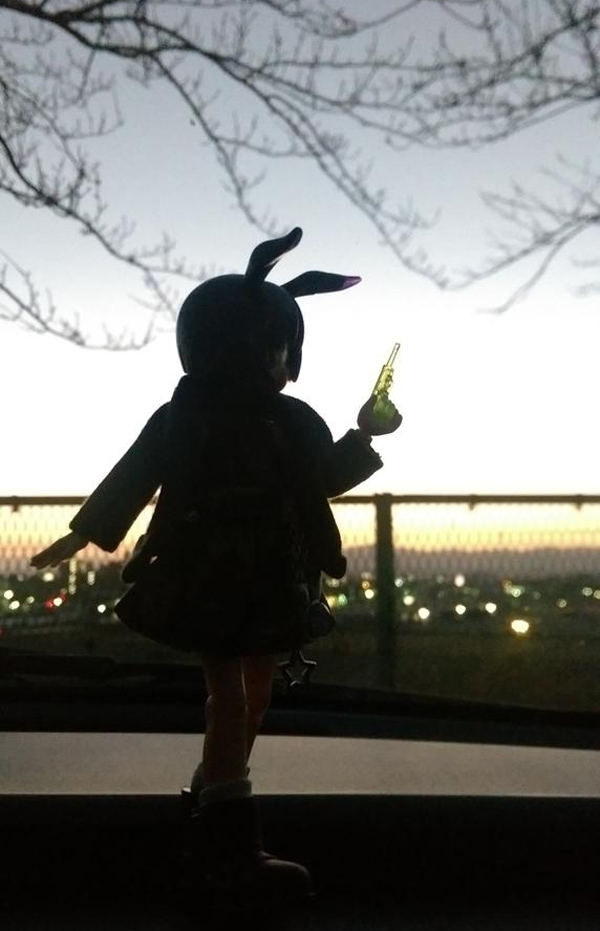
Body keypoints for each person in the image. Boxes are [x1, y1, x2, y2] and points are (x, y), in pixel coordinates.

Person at [30, 227, 402, 911]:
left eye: (278, 347)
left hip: (260, 572)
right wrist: (84, 530)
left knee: (252, 692)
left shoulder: (274, 418)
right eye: (271, 345)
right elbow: (138, 473)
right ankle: (228, 832)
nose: (271, 359)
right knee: (231, 693)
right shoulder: (199, 416)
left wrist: (364, 434)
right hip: (215, 570)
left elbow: (319, 478)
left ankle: (213, 792)